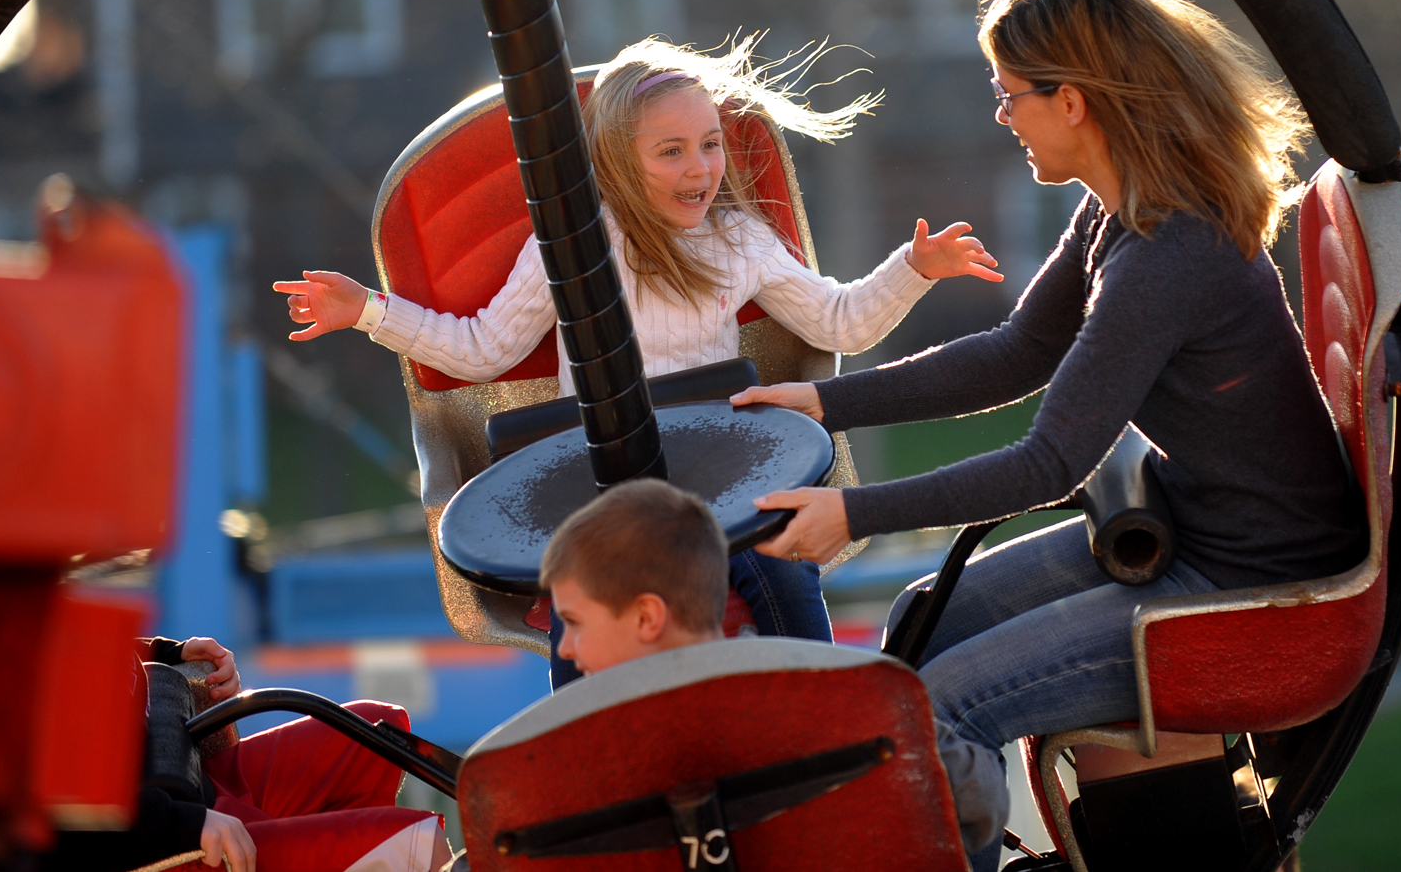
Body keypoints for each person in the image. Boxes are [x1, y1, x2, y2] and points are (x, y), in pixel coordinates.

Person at [734, 0, 1366, 872]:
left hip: (1251, 587)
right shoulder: (1118, 215)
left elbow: (1051, 464)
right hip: (1203, 534)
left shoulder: (1165, 254)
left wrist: (852, 513)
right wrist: (826, 399)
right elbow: (1014, 354)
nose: (1002, 116)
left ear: (1070, 101)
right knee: (925, 614)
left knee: (941, 704)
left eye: (1010, 95)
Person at [274, 37, 1003, 686]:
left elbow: (839, 320)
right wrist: (368, 309)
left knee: (778, 564)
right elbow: (481, 349)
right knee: (586, 594)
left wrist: (916, 266)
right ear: (622, 159)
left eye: (711, 144)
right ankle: (591, 735)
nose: (701, 168)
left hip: (719, 471)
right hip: (603, 481)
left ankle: (813, 707)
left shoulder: (735, 241)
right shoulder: (575, 250)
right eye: (672, 151)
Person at [541, 479, 1009, 855]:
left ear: (647, 617)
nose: (564, 649)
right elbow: (981, 802)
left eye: (572, 623)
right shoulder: (859, 707)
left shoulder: (569, 777)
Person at [117, 636, 450, 872]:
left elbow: (84, 641)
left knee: (376, 734)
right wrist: (182, 825)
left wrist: (169, 652)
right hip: (165, 842)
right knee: (417, 844)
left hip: (182, 777)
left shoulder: (65, 590)